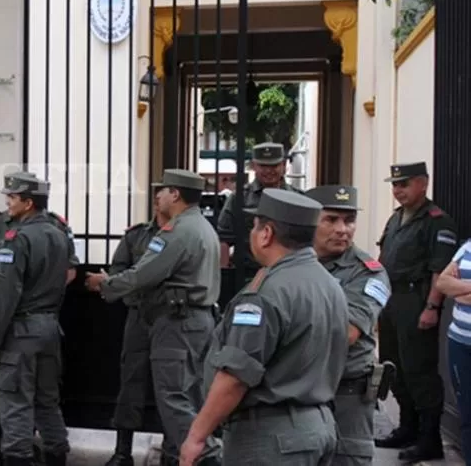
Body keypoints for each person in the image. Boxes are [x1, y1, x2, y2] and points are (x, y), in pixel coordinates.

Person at [179, 189, 348, 466]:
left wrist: (197, 436)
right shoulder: (329, 283)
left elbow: (235, 375)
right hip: (319, 426)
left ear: (266, 233)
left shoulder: (265, 294)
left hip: (271, 438)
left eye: (255, 226)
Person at [86, 170, 221, 466]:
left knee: (174, 399)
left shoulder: (177, 231)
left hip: (177, 323)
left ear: (175, 194)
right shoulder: (202, 227)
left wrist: (104, 284)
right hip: (195, 321)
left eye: (162, 190)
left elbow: (143, 273)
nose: (157, 196)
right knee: (187, 394)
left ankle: (210, 457)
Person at [0, 171, 80, 466]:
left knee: (15, 405)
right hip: (49, 327)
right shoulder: (58, 233)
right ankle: (56, 455)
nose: (8, 203)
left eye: (12, 198)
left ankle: (18, 458)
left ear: (28, 203)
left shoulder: (17, 239)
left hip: (19, 332)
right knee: (47, 400)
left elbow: (5, 297)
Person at [374, 161, 457, 461]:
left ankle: (429, 437)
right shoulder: (396, 219)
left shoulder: (438, 221)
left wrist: (432, 307)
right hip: (391, 301)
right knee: (392, 366)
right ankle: (406, 428)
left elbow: (439, 269)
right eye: (395, 185)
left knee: (418, 371)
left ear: (423, 183)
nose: (398, 190)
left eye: (404, 184)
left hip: (415, 301)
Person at [306, 185, 392, 465]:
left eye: (349, 220)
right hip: (297, 393)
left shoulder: (369, 273)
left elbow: (346, 333)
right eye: (331, 220)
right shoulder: (291, 262)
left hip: (346, 395)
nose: (343, 229)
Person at [99, 188, 170, 466]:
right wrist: (131, 295)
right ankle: (122, 450)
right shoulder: (137, 235)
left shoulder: (184, 233)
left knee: (171, 385)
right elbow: (118, 269)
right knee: (131, 381)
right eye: (158, 196)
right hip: (139, 317)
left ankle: (172, 449)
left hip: (170, 318)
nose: (160, 201)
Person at [216, 142, 300, 282]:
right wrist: (223, 276)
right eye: (263, 166)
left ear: (284, 165)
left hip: (290, 274)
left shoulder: (297, 198)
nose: (269, 171)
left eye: (274, 166)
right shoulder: (239, 198)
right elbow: (223, 238)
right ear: (254, 166)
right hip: (248, 275)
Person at [434, 238, 471, 462]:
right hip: (460, 343)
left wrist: (459, 289)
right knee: (467, 413)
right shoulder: (467, 247)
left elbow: (452, 287)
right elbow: (442, 283)